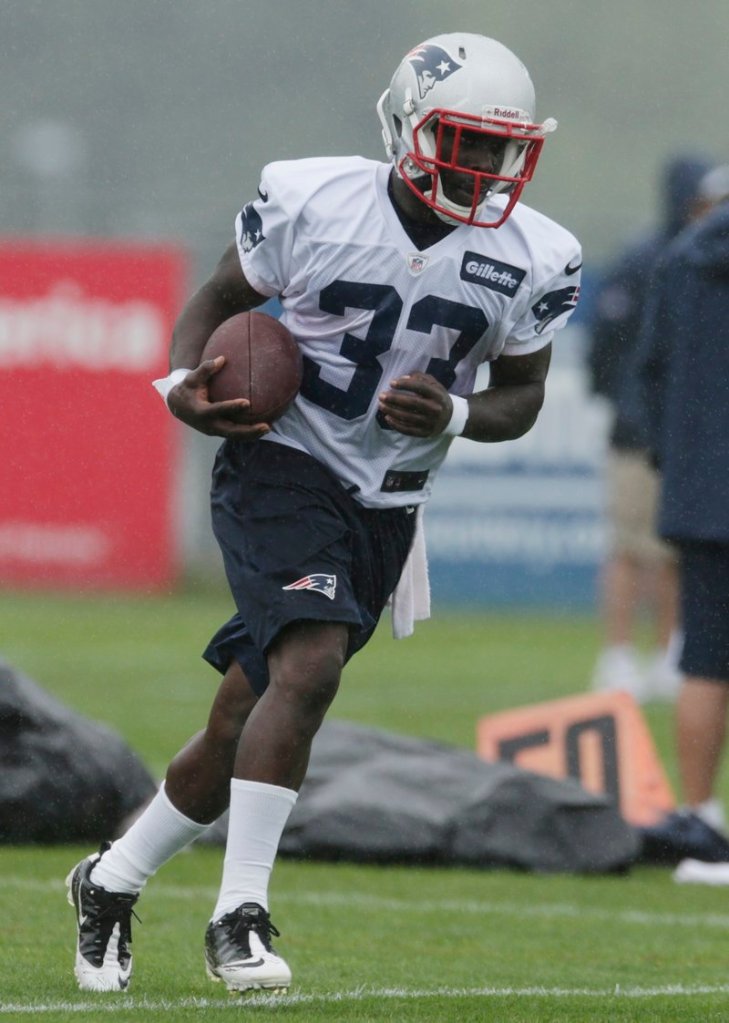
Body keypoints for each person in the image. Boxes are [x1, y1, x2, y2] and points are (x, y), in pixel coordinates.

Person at [65, 32, 581, 993]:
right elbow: (221, 295)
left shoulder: (535, 254)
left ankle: (110, 877)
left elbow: (524, 396)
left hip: (386, 501)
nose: (481, 167)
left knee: (243, 716)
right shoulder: (315, 200)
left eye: (497, 148)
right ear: (406, 125)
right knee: (310, 662)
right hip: (280, 463)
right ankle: (241, 914)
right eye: (461, 141)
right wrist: (181, 382)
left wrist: (459, 412)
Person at [587, 155, 713, 703]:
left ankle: (667, 654)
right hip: (639, 433)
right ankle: (616, 656)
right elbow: (607, 348)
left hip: (684, 435)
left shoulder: (699, 257)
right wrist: (633, 409)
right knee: (628, 547)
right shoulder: (644, 260)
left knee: (671, 551)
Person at [633, 164, 729, 870]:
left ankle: (698, 825)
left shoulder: (678, 259)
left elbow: (648, 371)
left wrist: (678, 460)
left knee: (701, 662)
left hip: (700, 493)